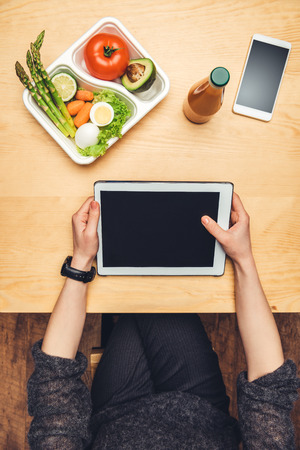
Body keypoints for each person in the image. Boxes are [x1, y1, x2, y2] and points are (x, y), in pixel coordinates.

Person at [27, 194, 299, 449]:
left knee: (140, 294)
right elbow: (268, 393)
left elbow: (55, 390)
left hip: (116, 413)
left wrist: (82, 260)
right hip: (198, 408)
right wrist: (243, 259)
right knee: (150, 296)